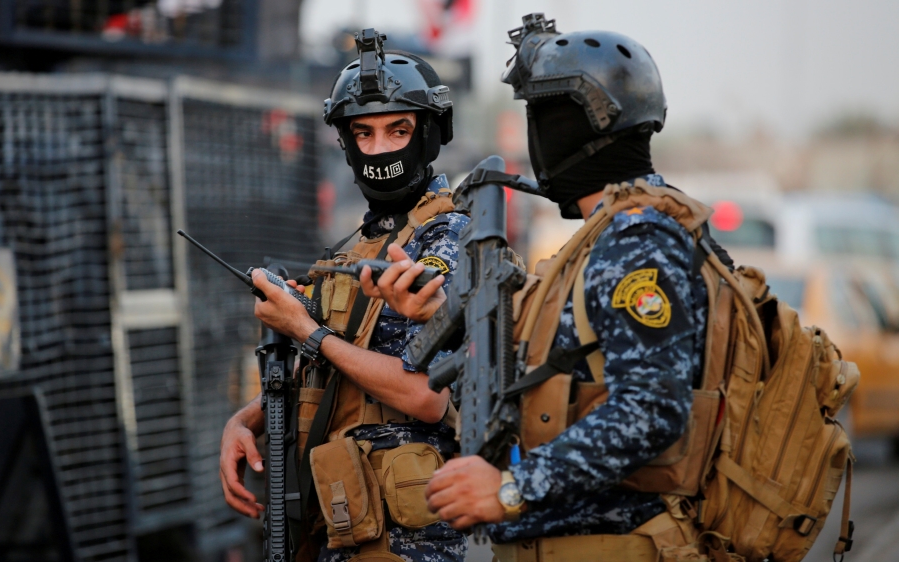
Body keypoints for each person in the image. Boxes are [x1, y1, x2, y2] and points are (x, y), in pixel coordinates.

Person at [366, 14, 715, 562]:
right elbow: (570, 370)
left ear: (575, 127)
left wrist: (512, 487)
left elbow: (650, 411)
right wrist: (441, 312)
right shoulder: (617, 234)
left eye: (541, 116)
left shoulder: (637, 241)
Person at [219, 28, 468, 562]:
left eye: (397, 130)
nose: (379, 151)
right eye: (364, 134)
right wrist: (246, 420)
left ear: (428, 134)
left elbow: (424, 395)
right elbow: (337, 369)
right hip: (345, 518)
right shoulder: (359, 245)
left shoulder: (449, 239)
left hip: (412, 538)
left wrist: (305, 330)